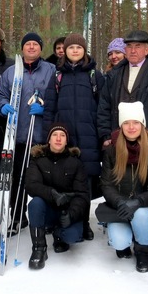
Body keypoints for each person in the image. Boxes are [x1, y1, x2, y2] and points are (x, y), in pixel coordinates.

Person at [0, 32, 57, 232]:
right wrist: (3, 106)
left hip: (43, 137)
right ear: (22, 48)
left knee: (46, 179)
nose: (31, 47)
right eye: (27, 44)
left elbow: (58, 97)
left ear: (40, 48)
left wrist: (45, 108)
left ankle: (48, 218)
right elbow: (1, 94)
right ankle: (17, 216)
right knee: (19, 178)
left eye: (35, 44)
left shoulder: (51, 70)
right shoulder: (11, 72)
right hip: (19, 136)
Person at [99, 102, 148, 273]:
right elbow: (106, 184)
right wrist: (120, 202)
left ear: (142, 124)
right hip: (120, 208)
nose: (131, 127)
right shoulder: (112, 150)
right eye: (126, 123)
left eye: (136, 122)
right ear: (121, 126)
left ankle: (142, 250)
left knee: (140, 215)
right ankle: (128, 237)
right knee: (120, 242)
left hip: (146, 210)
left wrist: (137, 202)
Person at [53, 33, 104, 241]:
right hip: (65, 137)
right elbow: (50, 107)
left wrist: (102, 134)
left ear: (84, 51)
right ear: (64, 51)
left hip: (88, 136)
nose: (75, 51)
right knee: (66, 180)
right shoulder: (57, 76)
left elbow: (103, 107)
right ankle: (66, 220)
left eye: (79, 47)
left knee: (87, 182)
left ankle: (84, 222)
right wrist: (51, 134)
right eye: (71, 47)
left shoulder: (94, 75)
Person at [97, 30, 148, 152]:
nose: (133, 51)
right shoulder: (114, 74)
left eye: (138, 46)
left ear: (147, 50)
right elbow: (104, 106)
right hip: (118, 142)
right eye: (129, 46)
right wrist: (106, 136)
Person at [25, 123, 91, 269]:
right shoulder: (38, 160)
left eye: (62, 136)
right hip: (47, 209)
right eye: (55, 135)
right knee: (35, 203)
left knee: (72, 236)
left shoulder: (75, 162)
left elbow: (82, 195)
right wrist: (52, 194)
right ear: (49, 139)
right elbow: (31, 185)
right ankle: (39, 248)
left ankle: (59, 234)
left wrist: (71, 214)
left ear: (67, 141)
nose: (58, 138)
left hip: (67, 211)